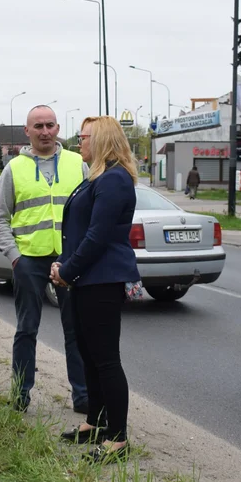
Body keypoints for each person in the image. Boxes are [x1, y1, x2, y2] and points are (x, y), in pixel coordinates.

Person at [52, 116, 140, 462]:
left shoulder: (115, 179)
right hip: (85, 277)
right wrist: (63, 264)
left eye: (84, 137)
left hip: (101, 279)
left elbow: (98, 236)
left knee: (106, 360)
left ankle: (117, 438)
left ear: (101, 140)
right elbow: (76, 231)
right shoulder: (97, 177)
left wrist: (68, 270)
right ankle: (95, 422)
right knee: (88, 353)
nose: (79, 143)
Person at [0, 105, 88, 413]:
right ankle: (20, 394)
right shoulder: (14, 168)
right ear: (27, 131)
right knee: (26, 329)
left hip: (69, 259)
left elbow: (90, 213)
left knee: (75, 329)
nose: (45, 131)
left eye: (50, 125)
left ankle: (83, 395)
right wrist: (15, 256)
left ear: (58, 128)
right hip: (29, 261)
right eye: (39, 126)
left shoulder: (78, 163)